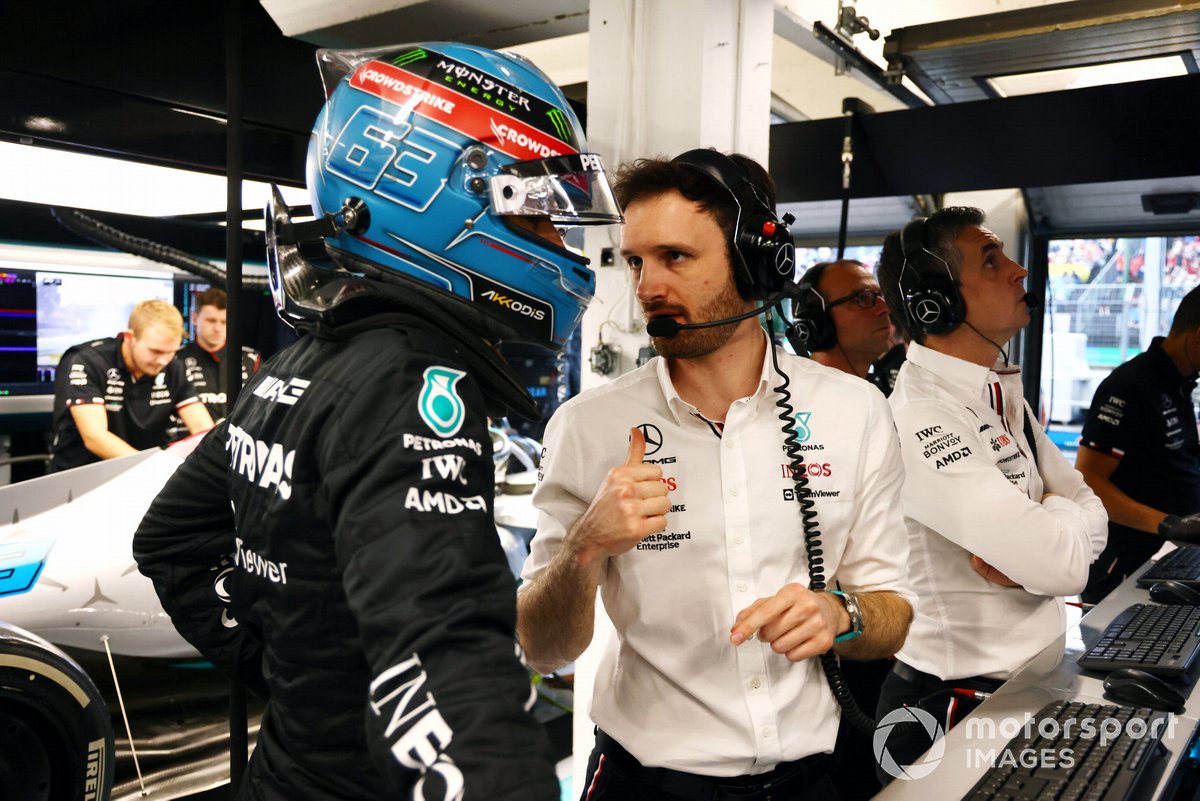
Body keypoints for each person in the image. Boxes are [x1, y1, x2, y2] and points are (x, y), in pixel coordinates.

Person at [132, 42, 622, 801]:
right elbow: (447, 650)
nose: (561, 243)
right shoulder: (411, 383)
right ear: (448, 193)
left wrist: (300, 681)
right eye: (539, 216)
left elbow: (172, 537)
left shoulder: (305, 360)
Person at [517, 149, 915, 800]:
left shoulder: (855, 411)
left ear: (757, 262)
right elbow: (542, 647)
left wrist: (838, 613)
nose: (646, 286)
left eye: (674, 256)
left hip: (809, 784)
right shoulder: (587, 426)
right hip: (643, 787)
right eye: (635, 261)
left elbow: (893, 611)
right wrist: (585, 547)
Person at [873, 207, 1107, 781]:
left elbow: (1091, 511)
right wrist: (1051, 539)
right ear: (936, 302)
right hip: (947, 710)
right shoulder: (921, 416)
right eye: (991, 260)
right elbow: (1063, 565)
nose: (1019, 270)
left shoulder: (998, 394)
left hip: (1019, 690)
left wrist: (1050, 526)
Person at [1078, 285, 1200, 603]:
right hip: (1125, 563)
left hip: (1169, 557)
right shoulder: (1131, 386)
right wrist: (1169, 525)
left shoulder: (1178, 383)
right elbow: (1088, 479)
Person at [48, 299, 214, 472]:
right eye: (155, 351)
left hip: (140, 472)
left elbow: (202, 428)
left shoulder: (174, 367)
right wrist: (153, 469)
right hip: (82, 474)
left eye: (171, 352)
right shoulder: (88, 361)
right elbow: (95, 436)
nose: (163, 361)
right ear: (129, 338)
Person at [792, 259, 892, 378]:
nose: (885, 308)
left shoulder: (876, 386)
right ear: (818, 321)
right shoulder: (798, 390)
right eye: (862, 298)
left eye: (881, 295)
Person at [178, 287, 262, 420]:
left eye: (224, 322)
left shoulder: (251, 359)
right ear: (194, 318)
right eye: (211, 321)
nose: (217, 328)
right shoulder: (176, 358)